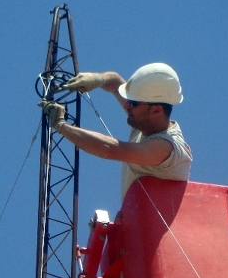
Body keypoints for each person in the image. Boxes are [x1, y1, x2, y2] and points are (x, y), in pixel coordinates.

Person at [41, 63, 192, 198]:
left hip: (154, 228)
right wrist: (97, 79)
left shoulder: (166, 148)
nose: (127, 106)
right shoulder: (146, 121)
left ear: (156, 110)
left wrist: (61, 125)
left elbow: (109, 149)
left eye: (133, 103)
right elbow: (115, 82)